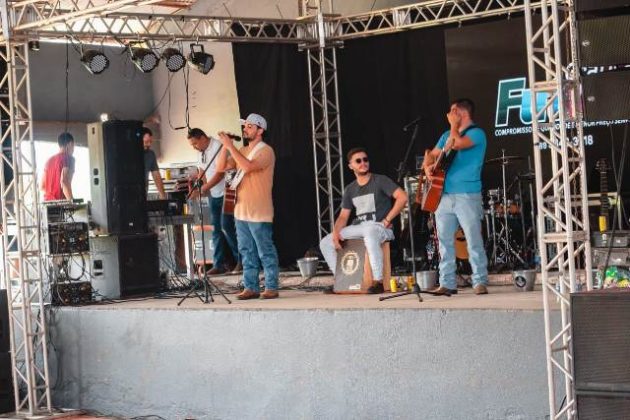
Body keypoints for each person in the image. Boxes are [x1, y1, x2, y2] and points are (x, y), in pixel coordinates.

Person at [423, 98, 489, 295]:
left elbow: (457, 144)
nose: (449, 115)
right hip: (444, 194)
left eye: (452, 111)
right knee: (443, 241)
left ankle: (479, 281)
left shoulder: (477, 133)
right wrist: (427, 166)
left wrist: (453, 126)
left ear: (461, 113)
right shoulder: (446, 135)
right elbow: (432, 154)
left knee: (473, 239)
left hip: (467, 194)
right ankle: (447, 282)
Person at [320, 147, 408, 294]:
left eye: (365, 159)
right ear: (350, 166)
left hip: (381, 227)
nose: (363, 163)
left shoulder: (380, 180)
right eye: (358, 161)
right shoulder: (350, 189)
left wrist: (387, 219)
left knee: (370, 231)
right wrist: (336, 233)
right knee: (325, 242)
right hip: (360, 227)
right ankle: (341, 280)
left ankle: (378, 280)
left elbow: (403, 197)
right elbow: (343, 216)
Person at [216, 113, 279, 299]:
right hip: (240, 209)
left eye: (250, 126)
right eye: (245, 126)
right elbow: (221, 168)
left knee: (265, 250)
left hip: (259, 210)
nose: (245, 129)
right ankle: (251, 287)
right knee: (246, 251)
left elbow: (248, 166)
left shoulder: (266, 151)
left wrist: (230, 146)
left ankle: (271, 287)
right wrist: (225, 147)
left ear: (260, 131)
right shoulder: (242, 150)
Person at [188, 128, 240, 275]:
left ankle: (241, 261)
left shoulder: (218, 146)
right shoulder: (200, 152)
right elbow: (202, 171)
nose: (194, 147)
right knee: (216, 229)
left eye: (195, 143)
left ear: (203, 138)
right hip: (214, 194)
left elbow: (220, 174)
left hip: (227, 193)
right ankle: (219, 264)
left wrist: (204, 188)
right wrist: (199, 186)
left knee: (227, 227)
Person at [41, 132, 75, 201]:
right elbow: (64, 182)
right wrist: (72, 202)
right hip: (60, 203)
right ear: (70, 144)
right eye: (73, 146)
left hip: (47, 203)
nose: (73, 149)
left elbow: (42, 186)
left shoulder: (49, 161)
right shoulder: (68, 158)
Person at [142, 127, 167, 200]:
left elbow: (156, 176)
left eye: (150, 141)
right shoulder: (129, 154)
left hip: (144, 192)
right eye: (146, 142)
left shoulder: (151, 154)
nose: (149, 144)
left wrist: (162, 195)